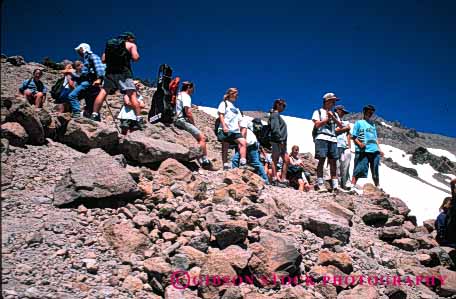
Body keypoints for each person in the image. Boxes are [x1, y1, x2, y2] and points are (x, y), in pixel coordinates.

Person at [91, 32, 142, 130]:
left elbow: (103, 60)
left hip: (110, 72)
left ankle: (94, 114)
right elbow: (136, 58)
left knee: (103, 92)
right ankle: (138, 119)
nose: (134, 40)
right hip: (124, 72)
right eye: (133, 38)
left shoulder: (111, 45)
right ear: (129, 38)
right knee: (132, 94)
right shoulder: (131, 45)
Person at [174, 81, 213, 169]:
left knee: (197, 137)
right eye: (193, 89)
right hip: (182, 120)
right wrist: (193, 124)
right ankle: (205, 161)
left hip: (176, 118)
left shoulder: (178, 95)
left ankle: (200, 160)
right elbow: (188, 112)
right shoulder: (186, 96)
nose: (193, 91)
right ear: (189, 88)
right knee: (202, 137)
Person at [312, 92, 345, 192]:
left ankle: (335, 186)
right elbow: (317, 124)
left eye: (334, 101)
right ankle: (320, 183)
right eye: (332, 101)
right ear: (327, 101)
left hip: (333, 139)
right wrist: (327, 119)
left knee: (333, 162)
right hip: (321, 137)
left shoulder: (334, 113)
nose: (334, 103)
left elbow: (340, 125)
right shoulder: (318, 111)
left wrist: (333, 117)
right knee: (321, 160)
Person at [351, 104, 384, 187]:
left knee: (375, 170)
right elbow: (353, 136)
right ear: (364, 112)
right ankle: (352, 185)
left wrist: (379, 149)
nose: (370, 114)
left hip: (374, 150)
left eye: (371, 113)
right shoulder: (359, 123)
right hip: (363, 150)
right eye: (369, 112)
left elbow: (375, 138)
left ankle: (377, 187)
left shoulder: (373, 125)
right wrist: (359, 144)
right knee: (359, 168)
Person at [69, 43, 105, 118]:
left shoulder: (92, 56)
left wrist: (99, 79)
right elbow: (82, 75)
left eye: (79, 50)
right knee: (91, 103)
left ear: (83, 49)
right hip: (90, 84)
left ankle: (77, 113)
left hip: (89, 82)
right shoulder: (87, 59)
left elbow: (100, 68)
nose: (78, 53)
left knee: (72, 95)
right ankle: (94, 120)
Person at [216, 88, 248, 170]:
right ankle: (225, 164)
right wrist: (224, 126)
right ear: (231, 94)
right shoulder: (224, 103)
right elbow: (221, 115)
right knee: (225, 146)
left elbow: (239, 120)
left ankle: (243, 162)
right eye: (235, 94)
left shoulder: (236, 108)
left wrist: (240, 128)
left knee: (243, 142)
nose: (237, 96)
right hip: (226, 128)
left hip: (235, 130)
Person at [231, 116, 269, 183]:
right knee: (254, 162)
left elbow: (243, 134)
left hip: (250, 144)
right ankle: (235, 176)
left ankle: (265, 179)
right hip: (251, 143)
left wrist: (242, 143)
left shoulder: (242, 122)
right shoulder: (242, 124)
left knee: (254, 162)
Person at [269, 98, 290, 187]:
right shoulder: (275, 114)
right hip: (278, 140)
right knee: (275, 159)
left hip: (281, 141)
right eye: (282, 105)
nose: (283, 107)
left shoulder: (276, 115)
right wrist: (280, 139)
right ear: (277, 104)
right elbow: (275, 128)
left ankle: (282, 178)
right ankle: (275, 178)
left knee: (286, 159)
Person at [334, 105, 352, 190]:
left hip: (345, 146)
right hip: (336, 144)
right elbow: (335, 131)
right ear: (337, 110)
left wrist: (349, 146)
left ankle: (345, 183)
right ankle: (337, 184)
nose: (343, 113)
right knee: (337, 165)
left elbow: (348, 135)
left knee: (346, 165)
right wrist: (345, 128)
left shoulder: (346, 122)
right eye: (342, 111)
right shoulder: (333, 120)